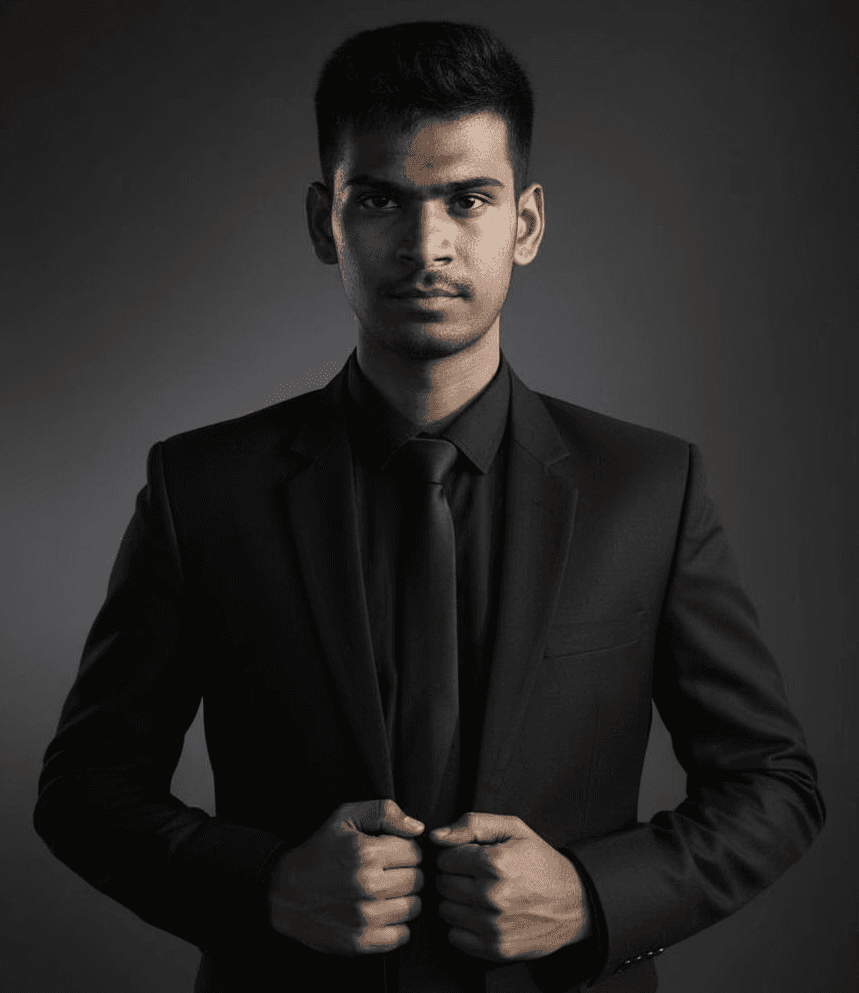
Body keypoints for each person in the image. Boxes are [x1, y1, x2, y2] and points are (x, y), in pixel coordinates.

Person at [33, 20, 825, 993]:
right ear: (325, 220)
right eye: (380, 200)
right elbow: (83, 791)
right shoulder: (201, 490)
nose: (425, 244)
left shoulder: (650, 490)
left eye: (468, 199)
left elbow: (773, 787)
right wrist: (269, 887)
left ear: (524, 223)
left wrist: (591, 898)